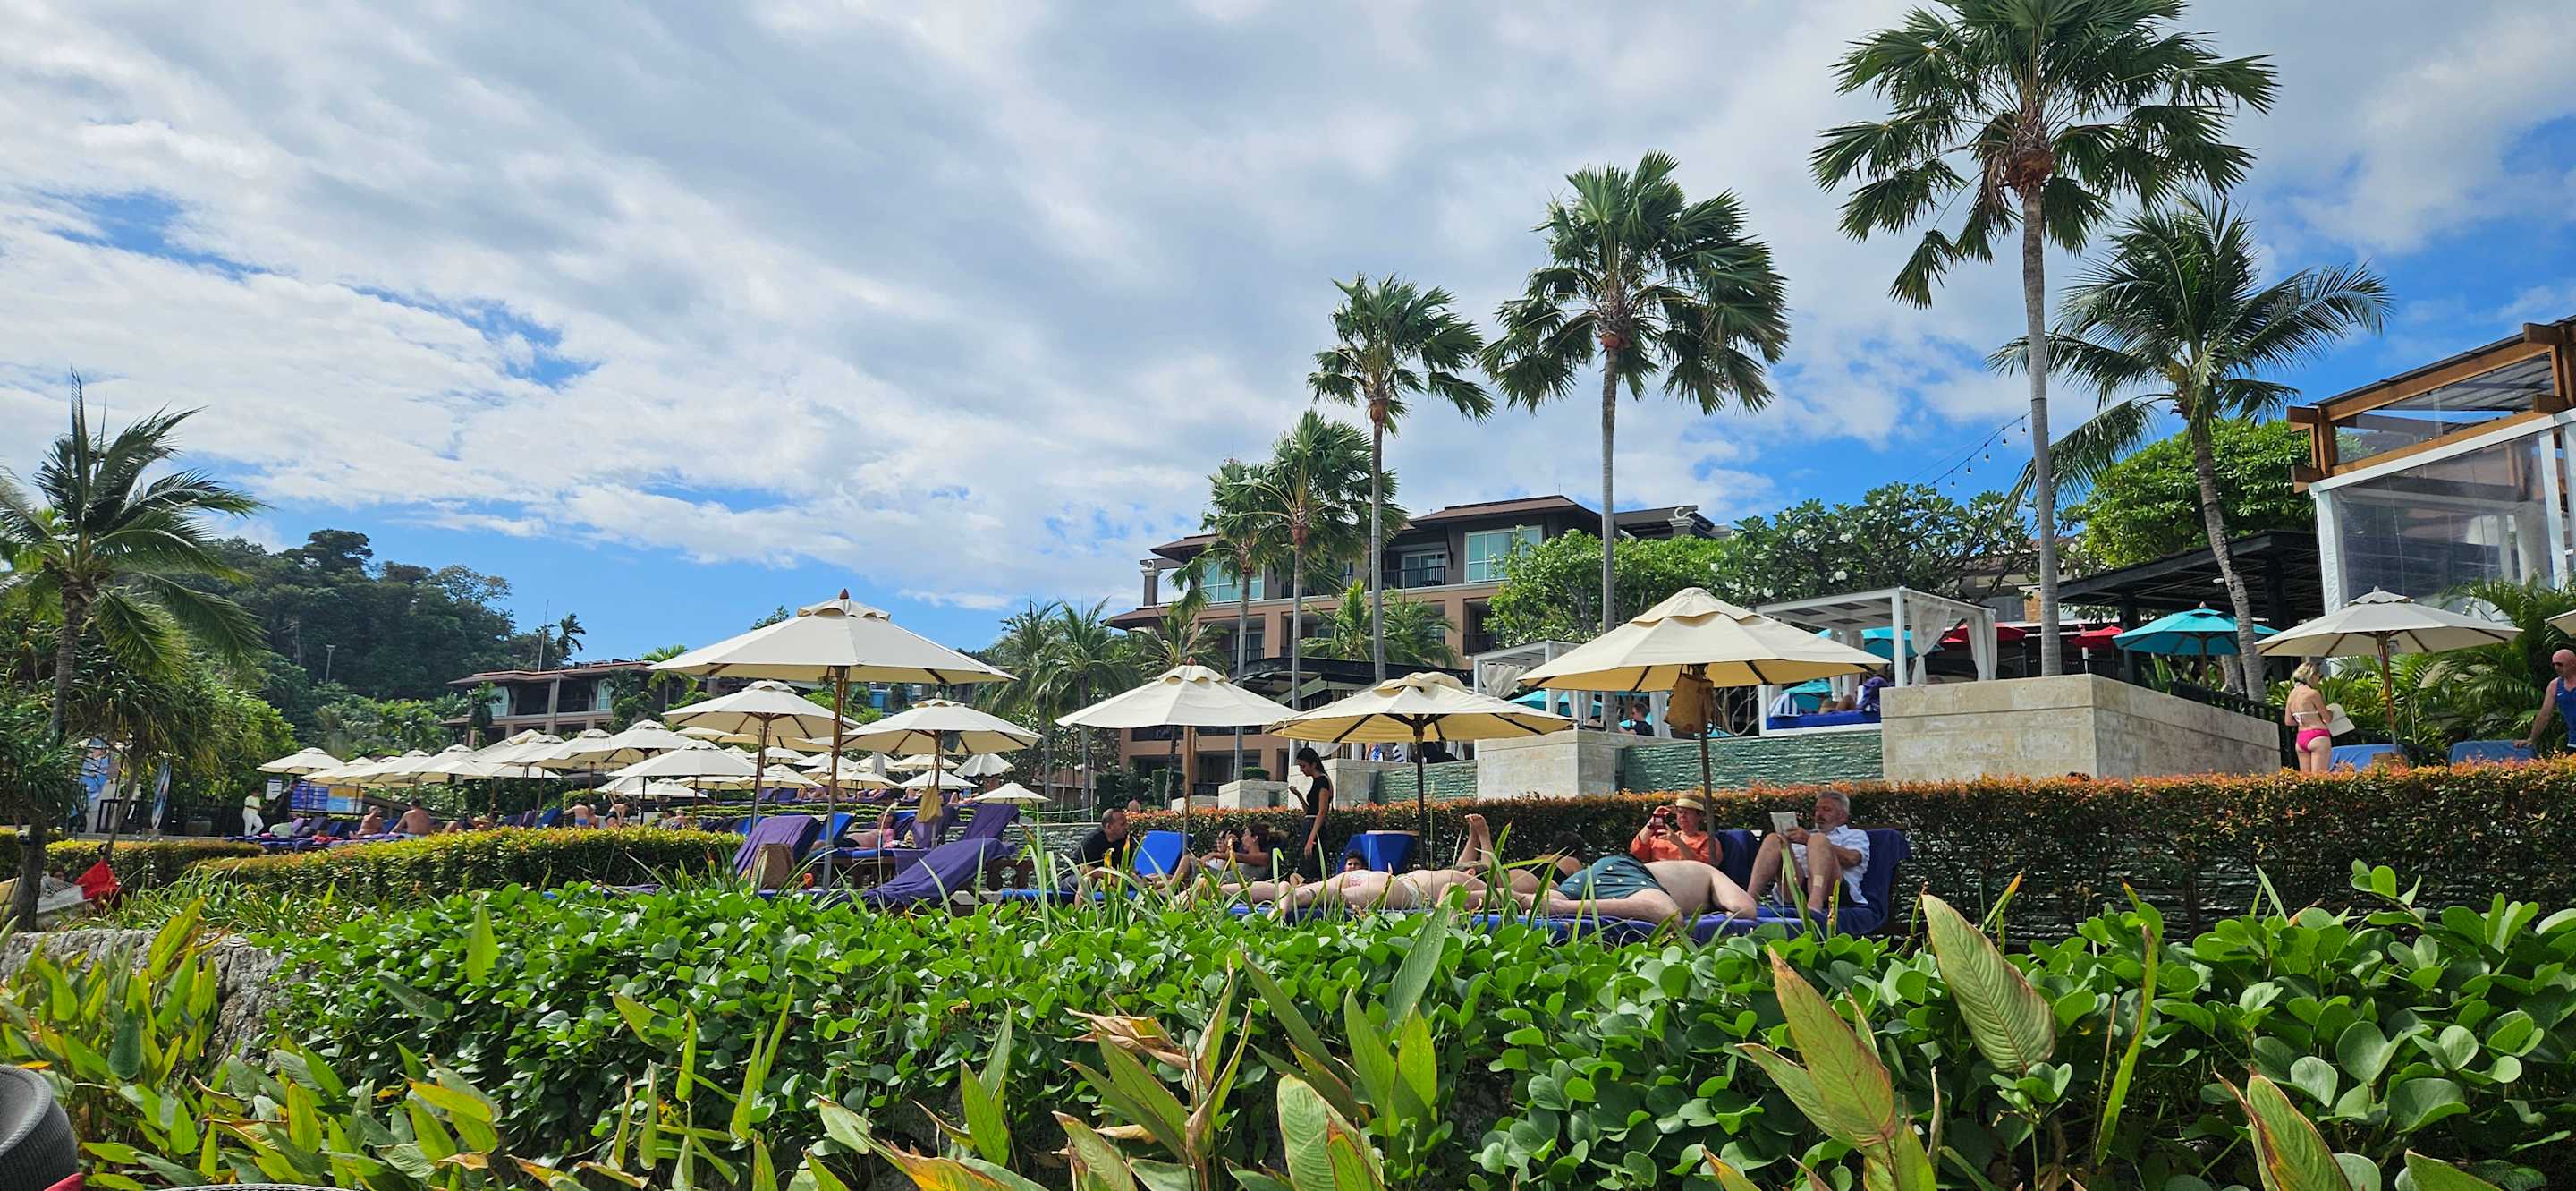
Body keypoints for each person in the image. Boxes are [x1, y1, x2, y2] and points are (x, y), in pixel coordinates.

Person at [1518, 846, 1755, 925]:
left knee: (1537, 899)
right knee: (1668, 915)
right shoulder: (1710, 871)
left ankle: (1501, 897)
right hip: (1625, 873)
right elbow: (1745, 908)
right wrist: (1723, 914)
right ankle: (1561, 909)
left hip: (1599, 872)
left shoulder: (1690, 868)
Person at [1746, 790, 1871, 915]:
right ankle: (1749, 900)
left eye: (1826, 810)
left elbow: (1853, 859)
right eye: (1817, 810)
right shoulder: (1804, 835)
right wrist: (1789, 841)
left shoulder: (1854, 835)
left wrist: (1808, 840)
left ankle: (1815, 905)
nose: (1819, 814)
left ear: (1842, 816)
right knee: (1775, 839)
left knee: (1818, 840)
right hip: (1796, 887)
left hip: (1832, 891)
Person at [1629, 795, 1716, 865]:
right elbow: (1636, 852)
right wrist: (1653, 820)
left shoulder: (1708, 841)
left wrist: (1679, 843)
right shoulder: (1663, 838)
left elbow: (1704, 868)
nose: (1683, 816)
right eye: (1680, 812)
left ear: (1700, 816)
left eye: (1688, 813)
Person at [1291, 747, 1333, 880]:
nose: (1301, 770)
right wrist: (1299, 796)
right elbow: (1310, 811)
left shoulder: (1323, 781)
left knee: (1312, 867)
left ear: (1313, 764)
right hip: (1310, 825)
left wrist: (1311, 839)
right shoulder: (1317, 781)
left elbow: (1322, 811)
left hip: (1314, 828)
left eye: (1303, 766)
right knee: (1306, 865)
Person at [2526, 649, 2576, 755]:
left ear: (2573, 663)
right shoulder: (2555, 685)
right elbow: (2545, 714)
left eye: (2560, 664)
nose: (2556, 668)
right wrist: (2531, 739)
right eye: (2554, 664)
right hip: (2573, 742)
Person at [2285, 663, 2333, 774]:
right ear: (2312, 675)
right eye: (2319, 676)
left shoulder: (2292, 694)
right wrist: (2331, 713)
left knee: (2306, 779)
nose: (2319, 679)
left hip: (2301, 737)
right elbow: (2327, 718)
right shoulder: (2312, 694)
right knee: (2319, 778)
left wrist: (2304, 719)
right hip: (2317, 735)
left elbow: (2288, 721)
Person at [1076, 808, 1139, 876]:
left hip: (1112, 876)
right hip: (1077, 875)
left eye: (1126, 823)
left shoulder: (1126, 840)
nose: (1126, 827)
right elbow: (1084, 869)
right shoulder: (1092, 840)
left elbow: (1130, 867)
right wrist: (1111, 877)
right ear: (1108, 826)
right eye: (1122, 824)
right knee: (1089, 880)